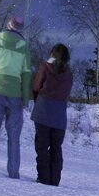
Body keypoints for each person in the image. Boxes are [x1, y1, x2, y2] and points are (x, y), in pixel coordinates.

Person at [0, 16, 32, 178]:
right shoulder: (24, 46)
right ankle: (13, 171)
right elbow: (26, 73)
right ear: (21, 29)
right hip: (15, 94)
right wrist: (25, 97)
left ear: (8, 25)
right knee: (14, 136)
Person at [31, 43, 73, 186]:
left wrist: (37, 99)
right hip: (59, 116)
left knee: (42, 147)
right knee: (56, 148)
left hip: (43, 110)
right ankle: (54, 180)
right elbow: (67, 93)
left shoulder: (45, 67)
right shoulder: (69, 73)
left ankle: (43, 178)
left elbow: (36, 86)